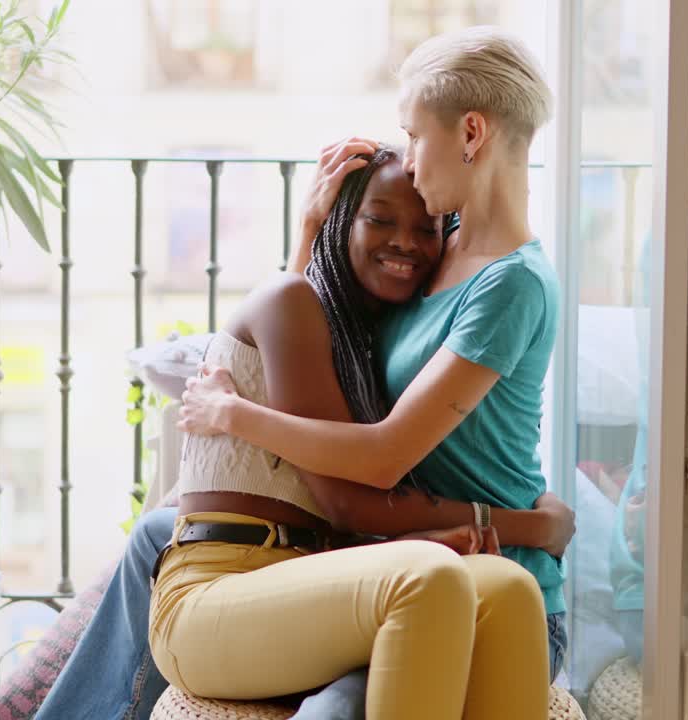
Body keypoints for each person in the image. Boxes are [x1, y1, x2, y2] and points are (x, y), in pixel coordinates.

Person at [35, 141, 572, 720]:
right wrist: (526, 525)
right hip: (230, 583)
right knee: (424, 579)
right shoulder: (295, 302)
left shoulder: (377, 339)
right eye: (379, 219)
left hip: (308, 574)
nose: (405, 242)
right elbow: (345, 500)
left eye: (427, 229)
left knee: (504, 587)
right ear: (343, 221)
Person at [175, 27, 560, 719]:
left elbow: (381, 459)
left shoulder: (511, 284)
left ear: (471, 132)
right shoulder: (435, 257)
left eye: (414, 136)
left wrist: (232, 414)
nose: (409, 162)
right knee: (155, 536)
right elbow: (308, 342)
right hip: (403, 558)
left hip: (477, 569)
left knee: (362, 684)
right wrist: (311, 233)